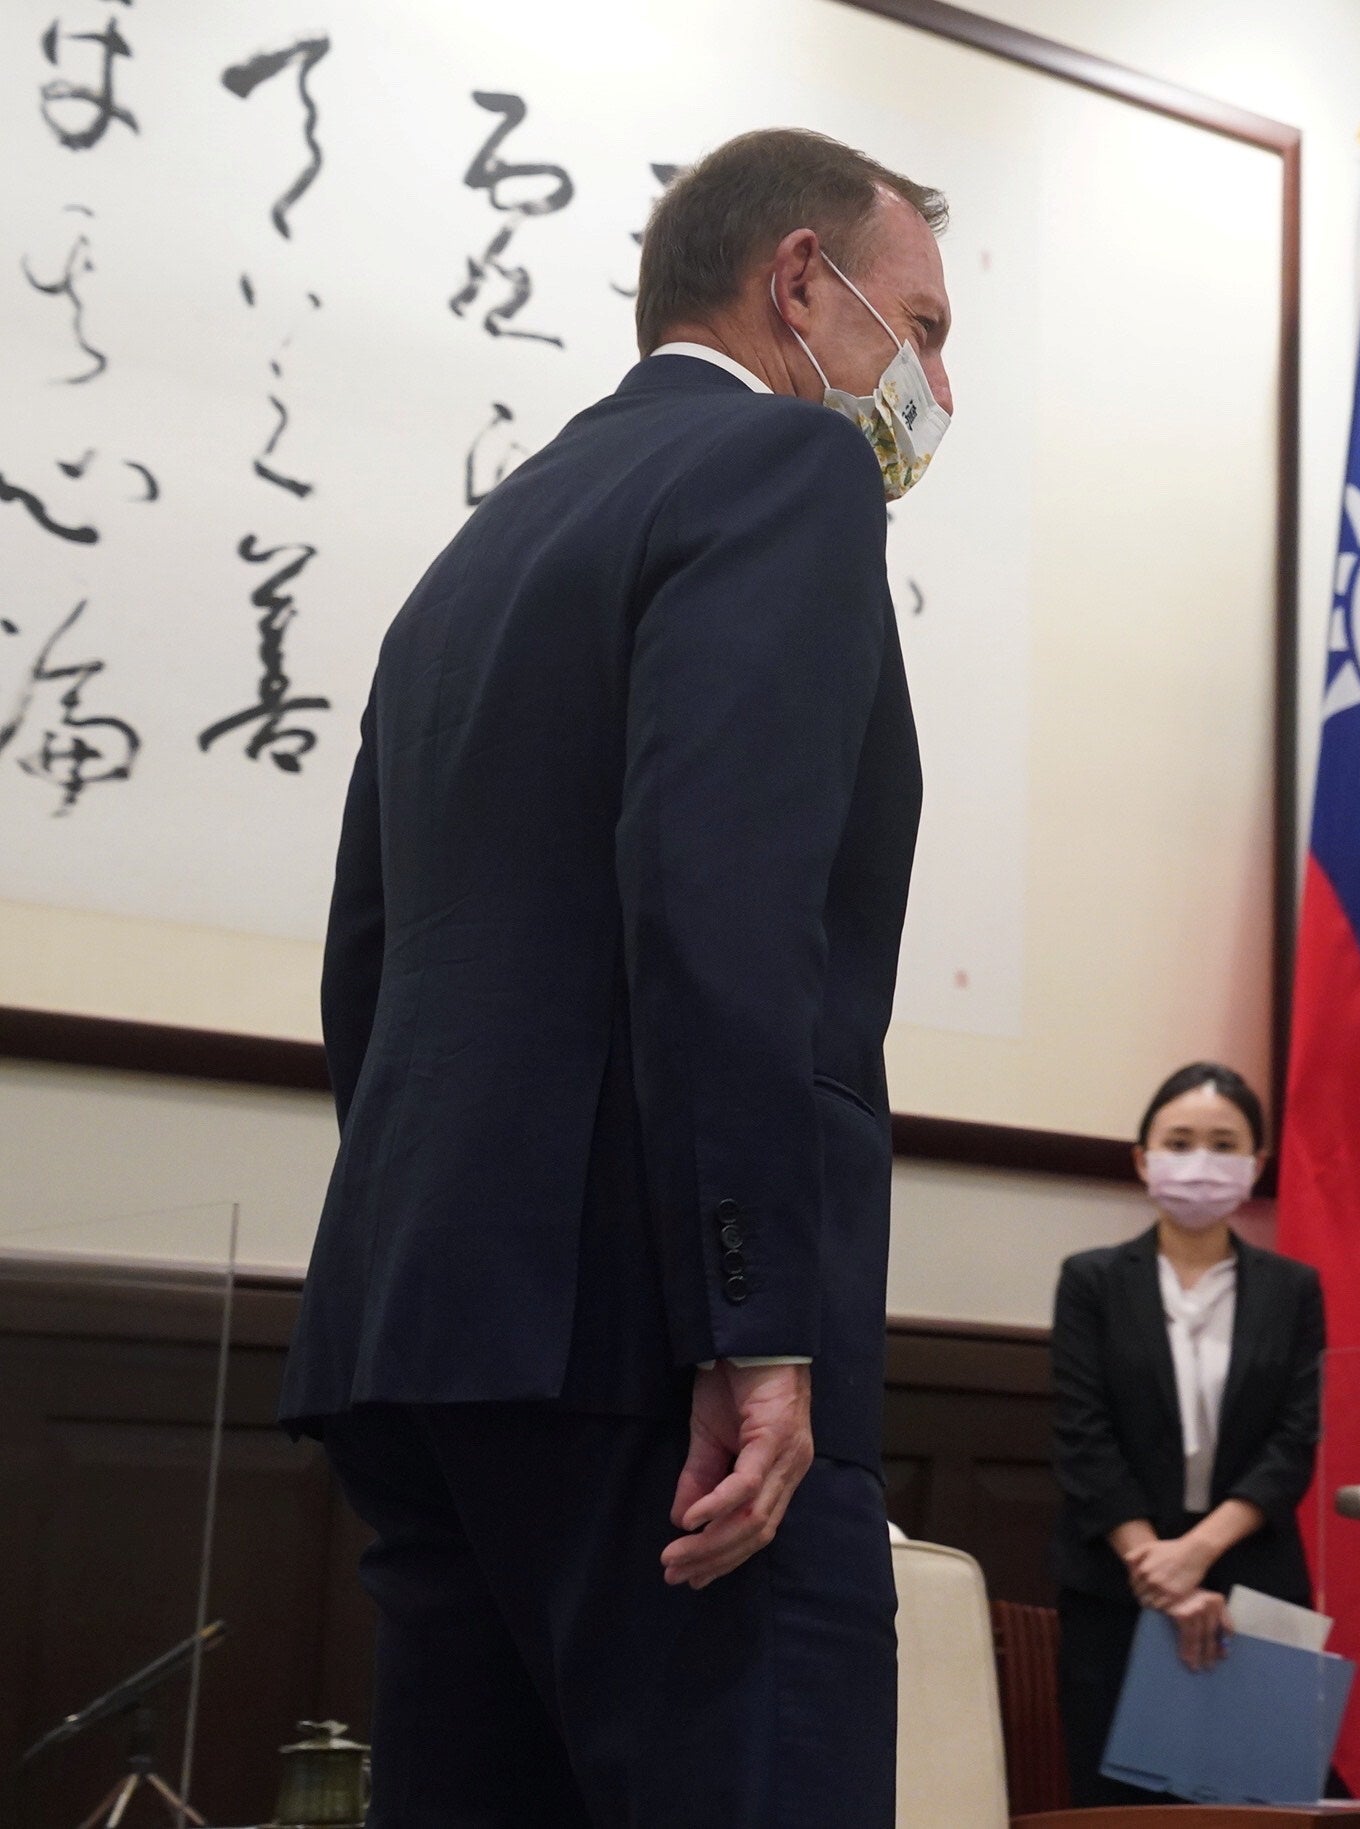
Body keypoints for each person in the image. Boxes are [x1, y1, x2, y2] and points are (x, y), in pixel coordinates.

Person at [277, 128, 954, 1826]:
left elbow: (369, 967)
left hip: (427, 1334)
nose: (934, 383)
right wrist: (752, 1316)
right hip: (658, 1368)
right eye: (921, 326)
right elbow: (721, 903)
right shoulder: (784, 473)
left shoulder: (472, 562)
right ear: (799, 279)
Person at [1048, 1063, 1325, 1806]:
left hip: (1255, 1584)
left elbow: (1292, 1444)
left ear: (1254, 1163)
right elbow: (1084, 1437)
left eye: (1221, 1142)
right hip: (1116, 1589)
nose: (1198, 1160)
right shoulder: (1092, 1281)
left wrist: (1194, 1557)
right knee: (1119, 1812)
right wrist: (1155, 1570)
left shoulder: (1292, 1288)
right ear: (1143, 1157)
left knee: (1260, 1806)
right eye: (1178, 1140)